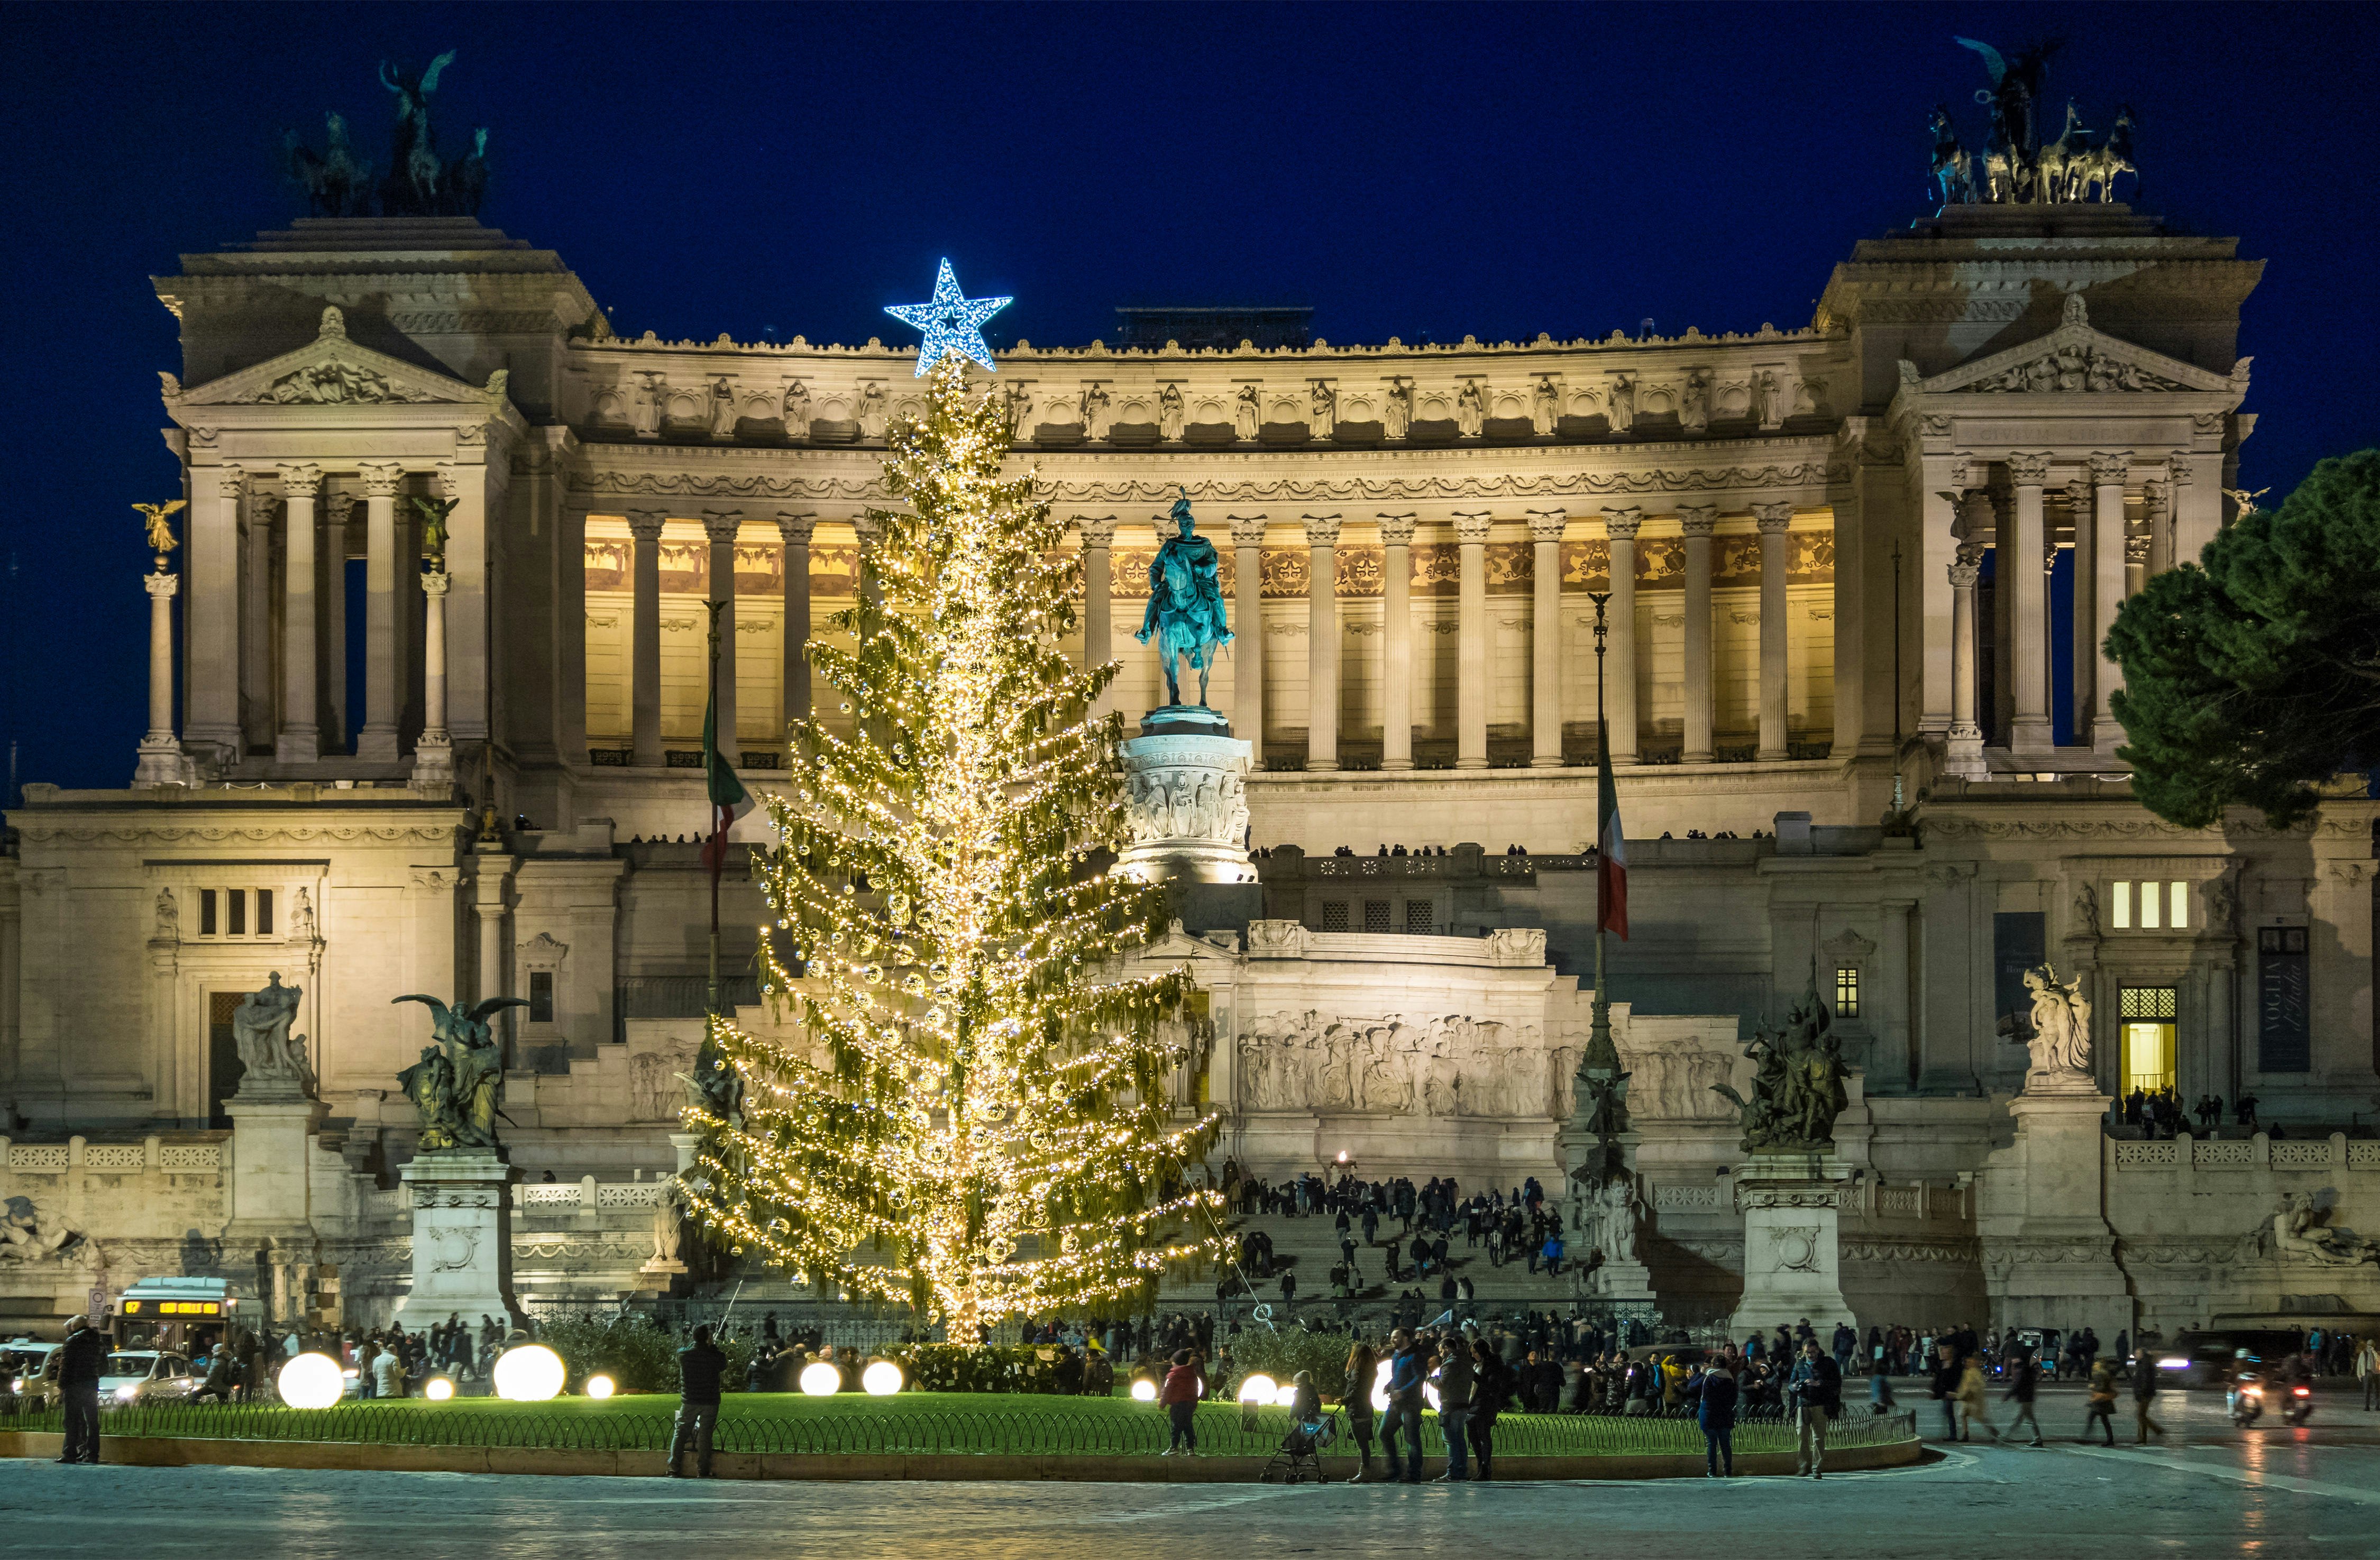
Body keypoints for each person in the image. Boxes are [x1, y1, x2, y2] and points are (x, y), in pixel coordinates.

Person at [667, 1323, 728, 1478]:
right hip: (710, 1400)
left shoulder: (684, 1355)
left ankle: (673, 1468)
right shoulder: (714, 1355)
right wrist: (712, 1346)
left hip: (690, 1399)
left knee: (681, 1433)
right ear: (708, 1337)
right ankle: (703, 1470)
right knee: (706, 1435)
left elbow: (683, 1350)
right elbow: (723, 1364)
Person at [56, 1314, 106, 1465]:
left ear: (75, 1326)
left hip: (74, 1385)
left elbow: (65, 1367)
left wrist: (62, 1388)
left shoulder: (72, 1341)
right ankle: (92, 1455)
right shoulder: (98, 1341)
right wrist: (93, 1376)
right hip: (91, 1385)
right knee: (92, 1422)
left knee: (72, 1421)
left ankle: (69, 1453)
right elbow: (104, 1366)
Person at [1788, 1337, 1842, 1479]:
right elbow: (1791, 1383)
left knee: (1818, 1438)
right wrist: (1794, 1387)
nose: (1810, 1355)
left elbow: (1837, 1383)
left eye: (1812, 1352)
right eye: (1807, 1352)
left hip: (1820, 1404)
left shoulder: (1828, 1363)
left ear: (1818, 1350)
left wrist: (1819, 1383)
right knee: (1802, 1437)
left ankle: (1817, 1469)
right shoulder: (1800, 1364)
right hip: (1803, 1404)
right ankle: (1803, 1467)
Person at [1379, 1328, 1427, 1484]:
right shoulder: (1396, 1356)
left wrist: (1402, 1391)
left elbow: (1419, 1378)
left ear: (1406, 1338)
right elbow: (1397, 1377)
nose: (1392, 1340)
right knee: (1384, 1432)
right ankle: (1395, 1470)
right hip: (1396, 1404)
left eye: (1395, 1337)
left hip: (1411, 1404)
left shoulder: (1415, 1355)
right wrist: (1389, 1386)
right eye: (1392, 1337)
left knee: (1411, 1438)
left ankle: (1414, 1474)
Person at [1431, 1332, 1475, 1482]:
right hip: (1463, 1404)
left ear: (1448, 1349)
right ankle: (1462, 1470)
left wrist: (1429, 1379)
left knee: (1451, 1440)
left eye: (1441, 1350)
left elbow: (1442, 1384)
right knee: (1460, 1439)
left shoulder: (1450, 1363)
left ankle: (1453, 1472)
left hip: (1451, 1405)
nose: (1441, 1354)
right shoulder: (1466, 1362)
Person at [1469, 1335, 1509, 1481]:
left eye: (1475, 1352)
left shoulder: (1494, 1363)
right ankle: (1481, 1464)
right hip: (1474, 1403)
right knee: (1472, 1433)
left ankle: (1485, 1468)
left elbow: (1491, 1384)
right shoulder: (1476, 1364)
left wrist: (1474, 1376)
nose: (1473, 1355)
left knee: (1483, 1434)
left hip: (1486, 1403)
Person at [1343, 1340, 1379, 1482]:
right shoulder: (1370, 1371)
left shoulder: (1358, 1372)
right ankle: (1365, 1471)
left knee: (1362, 1445)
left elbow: (1356, 1390)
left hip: (1357, 1410)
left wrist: (1344, 1400)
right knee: (1363, 1442)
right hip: (1366, 1409)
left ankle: (1364, 1472)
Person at [1698, 1360, 1741, 1478]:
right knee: (1725, 1443)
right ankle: (1728, 1470)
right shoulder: (1730, 1380)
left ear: (1713, 1365)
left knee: (1712, 1443)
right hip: (1725, 1414)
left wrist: (1701, 1373)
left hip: (1710, 1414)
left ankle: (1712, 1471)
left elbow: (1692, 1388)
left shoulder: (1708, 1378)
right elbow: (1734, 1398)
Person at [1158, 1348, 1202, 1456]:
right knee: (1188, 1426)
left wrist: (1162, 1403)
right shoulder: (1192, 1374)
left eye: (1173, 1364)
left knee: (1176, 1427)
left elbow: (1167, 1391)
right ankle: (1190, 1448)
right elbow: (1195, 1391)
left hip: (1177, 1404)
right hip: (1189, 1405)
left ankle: (1174, 1448)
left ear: (1176, 1364)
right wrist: (1194, 1404)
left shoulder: (1174, 1375)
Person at [2003, 1348, 2044, 1446]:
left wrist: (2009, 1395)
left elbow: (2019, 1385)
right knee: (2022, 1419)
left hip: (2025, 1398)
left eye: (2016, 1358)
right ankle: (2006, 1436)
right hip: (2027, 1398)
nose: (2013, 1359)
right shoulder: (2027, 1368)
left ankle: (2037, 1440)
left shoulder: (2024, 1370)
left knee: (2024, 1419)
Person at [2082, 1356, 2119, 1446]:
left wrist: (2093, 1387)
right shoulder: (2106, 1374)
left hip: (2100, 1401)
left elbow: (2101, 1387)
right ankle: (2110, 1439)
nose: (2094, 1365)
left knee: (2093, 1418)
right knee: (2104, 1420)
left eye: (2096, 1364)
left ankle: (2087, 1438)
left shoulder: (2099, 1374)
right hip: (2104, 1400)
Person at [2131, 1352, 2166, 1443]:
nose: (2136, 1355)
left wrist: (2140, 1393)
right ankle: (2142, 1438)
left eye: (2137, 1353)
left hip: (2145, 1394)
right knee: (2141, 1415)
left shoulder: (2144, 1365)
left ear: (2142, 1355)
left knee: (2141, 1415)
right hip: (2145, 1393)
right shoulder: (2144, 1364)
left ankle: (2157, 1430)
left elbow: (2145, 1381)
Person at [2357, 1334, 2380, 1412]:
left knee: (2376, 1390)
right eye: (2369, 1345)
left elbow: (2379, 1360)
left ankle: (2377, 1406)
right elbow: (2359, 1364)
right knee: (2367, 1391)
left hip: (2375, 1373)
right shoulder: (2363, 1353)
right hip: (2366, 1373)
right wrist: (2359, 1374)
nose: (2370, 1347)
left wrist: (2374, 1352)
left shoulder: (2376, 1353)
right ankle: (2367, 1406)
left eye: (2371, 1345)